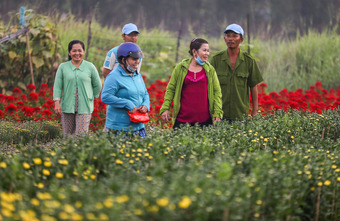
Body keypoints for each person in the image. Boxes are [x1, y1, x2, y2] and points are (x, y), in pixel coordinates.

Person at [160, 38, 223, 129]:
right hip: (182, 121)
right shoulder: (181, 68)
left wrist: (217, 112)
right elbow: (171, 89)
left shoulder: (210, 70)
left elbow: (217, 92)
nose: (207, 54)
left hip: (205, 121)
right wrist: (165, 108)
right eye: (204, 50)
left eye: (208, 51)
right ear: (194, 51)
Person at [210, 24, 263, 122]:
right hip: (219, 115)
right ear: (224, 39)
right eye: (228, 36)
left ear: (241, 40)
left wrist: (255, 111)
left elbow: (253, 86)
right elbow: (209, 86)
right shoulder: (216, 60)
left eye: (234, 36)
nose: (231, 39)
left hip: (240, 115)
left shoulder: (249, 61)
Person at [53, 40, 102, 137]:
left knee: (81, 136)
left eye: (80, 51)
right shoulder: (63, 67)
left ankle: (79, 152)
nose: (77, 53)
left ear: (83, 52)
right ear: (69, 53)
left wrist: (91, 97)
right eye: (74, 51)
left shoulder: (90, 67)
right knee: (67, 135)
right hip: (67, 105)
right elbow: (57, 86)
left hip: (85, 106)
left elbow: (98, 85)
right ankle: (66, 152)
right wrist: (57, 102)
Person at [101, 42, 150, 137]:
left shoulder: (137, 75)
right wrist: (126, 103)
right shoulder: (114, 77)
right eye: (134, 59)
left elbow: (145, 94)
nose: (138, 62)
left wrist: (146, 105)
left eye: (139, 59)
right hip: (119, 128)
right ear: (123, 59)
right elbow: (105, 97)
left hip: (139, 126)